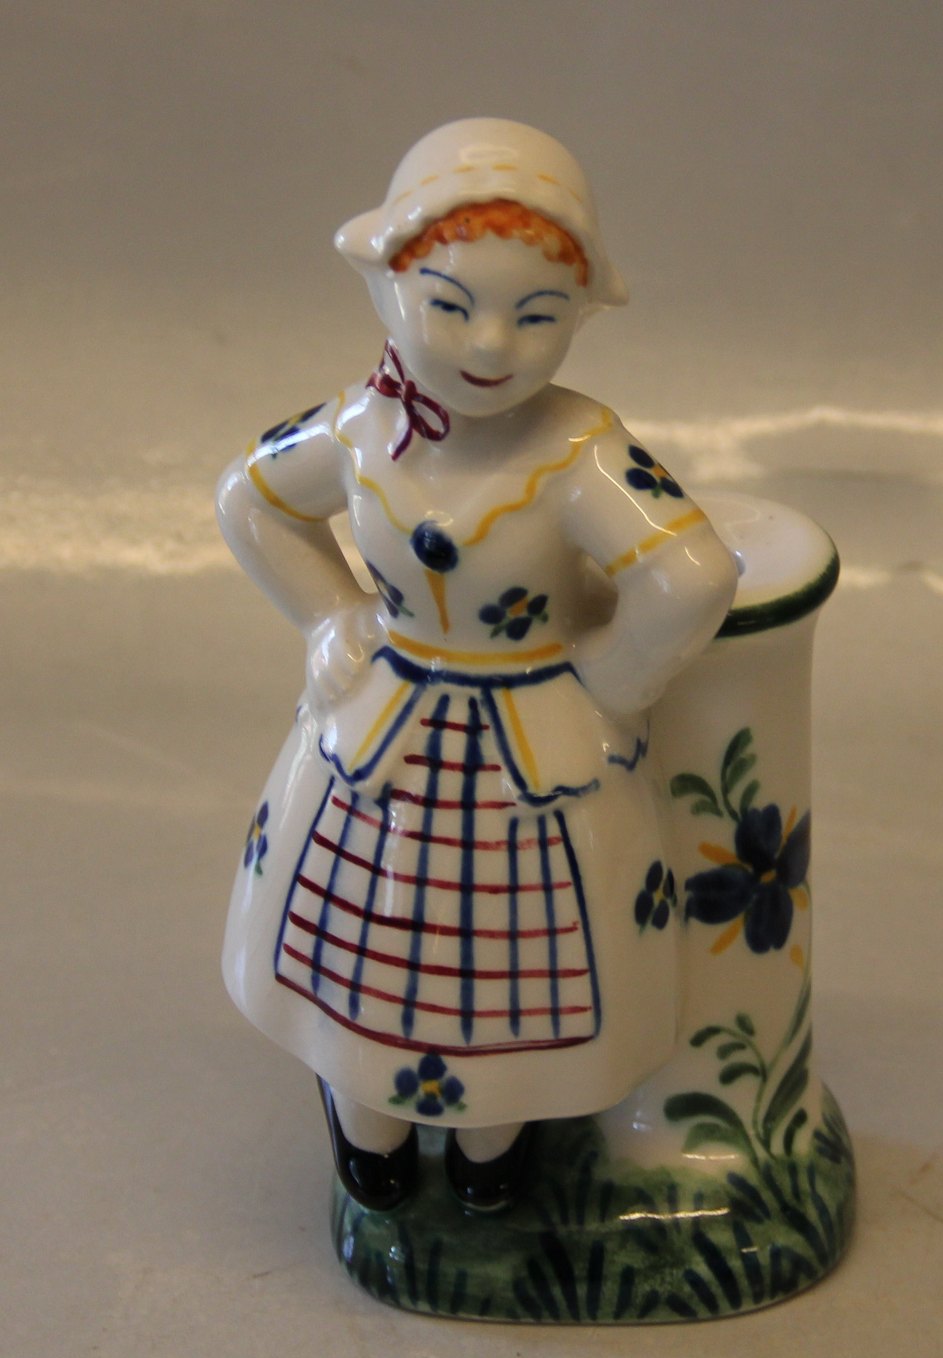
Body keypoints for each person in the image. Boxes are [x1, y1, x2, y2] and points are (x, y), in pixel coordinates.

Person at [217, 118, 738, 1213]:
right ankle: (368, 1118)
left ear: (581, 315)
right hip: (384, 720)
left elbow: (690, 573)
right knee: (362, 923)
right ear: (383, 286)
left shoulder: (580, 447)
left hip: (529, 738)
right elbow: (251, 501)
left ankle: (492, 1142)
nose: (490, 344)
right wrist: (327, 616)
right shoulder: (360, 428)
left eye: (536, 315)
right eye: (449, 306)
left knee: (515, 945)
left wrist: (611, 681)